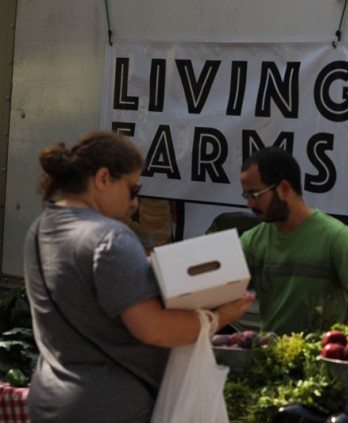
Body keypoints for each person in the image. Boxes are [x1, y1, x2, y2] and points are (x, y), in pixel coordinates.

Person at [23, 131, 255, 422]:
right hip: (107, 408)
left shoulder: (40, 228)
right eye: (132, 190)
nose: (134, 204)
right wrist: (218, 317)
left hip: (48, 399)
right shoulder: (112, 238)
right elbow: (154, 329)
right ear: (103, 179)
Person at [239, 147, 348, 334]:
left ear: (284, 189)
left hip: (320, 359)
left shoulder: (335, 236)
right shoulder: (251, 241)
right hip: (270, 358)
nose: (250, 204)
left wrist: (340, 349)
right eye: (246, 196)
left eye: (255, 195)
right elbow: (219, 291)